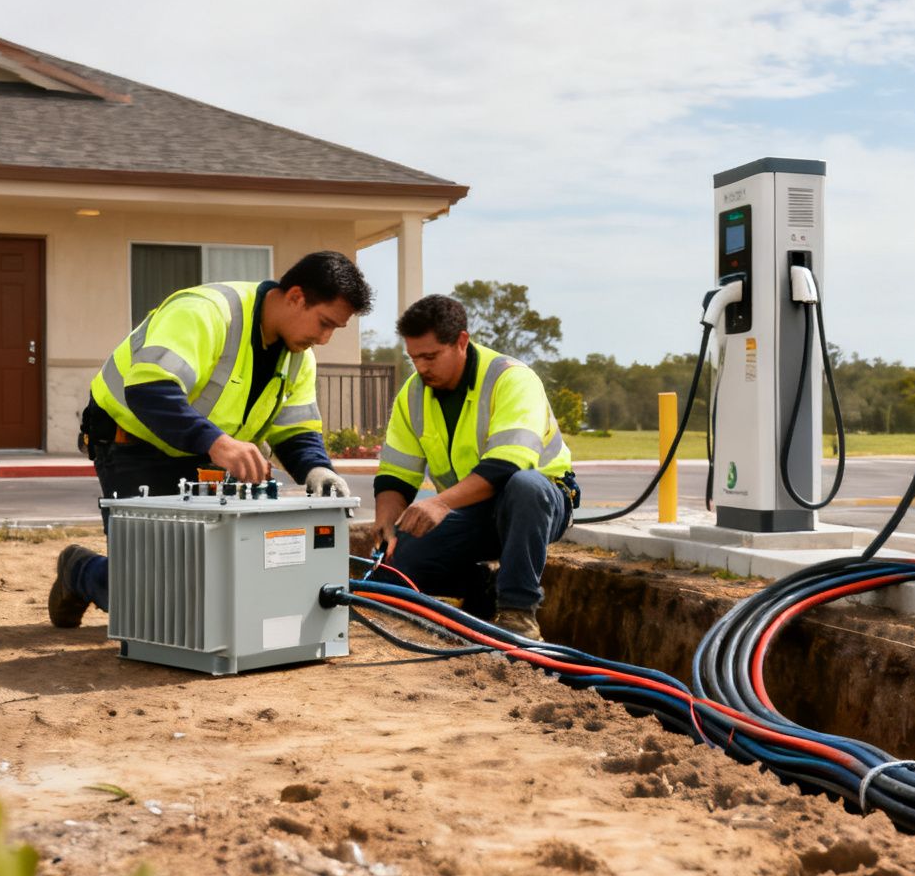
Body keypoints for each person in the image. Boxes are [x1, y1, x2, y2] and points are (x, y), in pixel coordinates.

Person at [47, 250, 373, 627]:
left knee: (215, 587)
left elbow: (295, 429)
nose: (326, 338)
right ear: (296, 297)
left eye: (336, 329)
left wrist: (317, 470)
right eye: (324, 323)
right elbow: (149, 389)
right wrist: (218, 443)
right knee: (154, 601)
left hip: (204, 454)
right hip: (132, 443)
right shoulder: (206, 312)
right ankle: (80, 569)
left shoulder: (299, 356)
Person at [369, 293, 576, 639]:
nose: (421, 367)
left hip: (537, 504)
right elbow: (396, 474)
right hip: (470, 510)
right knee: (393, 573)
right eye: (414, 358)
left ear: (461, 341)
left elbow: (508, 465)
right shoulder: (412, 395)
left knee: (525, 486)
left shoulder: (511, 379)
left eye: (430, 356)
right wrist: (386, 524)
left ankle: (517, 614)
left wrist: (440, 502)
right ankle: (482, 585)